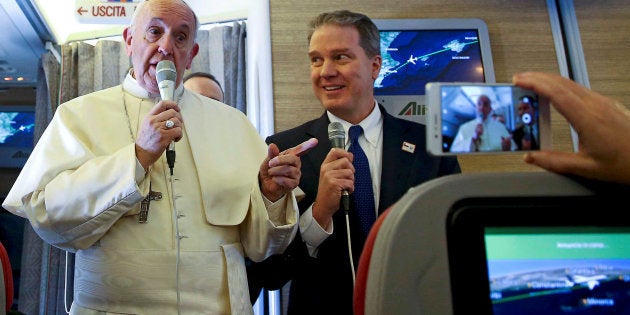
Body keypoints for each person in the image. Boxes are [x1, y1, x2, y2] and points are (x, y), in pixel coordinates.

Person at [1, 0, 318, 314]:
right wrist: (137, 157)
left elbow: (262, 248)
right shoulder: (78, 116)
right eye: (154, 32)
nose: (166, 47)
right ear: (129, 41)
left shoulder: (233, 123)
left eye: (181, 37)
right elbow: (48, 217)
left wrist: (271, 196)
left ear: (191, 54)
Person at [246, 10, 461, 314]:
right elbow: (268, 274)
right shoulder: (283, 152)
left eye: (341, 57)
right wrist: (319, 212)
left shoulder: (430, 145)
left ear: (375, 66)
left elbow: (453, 246)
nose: (325, 71)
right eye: (316, 60)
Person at [513, 71, 630, 185]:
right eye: (520, 109)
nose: (522, 112)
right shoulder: (516, 133)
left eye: (525, 108)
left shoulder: (556, 131)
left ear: (534, 109)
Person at [450, 94, 517, 152]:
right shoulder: (464, 128)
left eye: (485, 104)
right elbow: (454, 151)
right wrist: (474, 138)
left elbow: (513, 149)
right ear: (476, 108)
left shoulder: (501, 127)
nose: (482, 107)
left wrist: (507, 149)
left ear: (490, 109)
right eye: (479, 104)